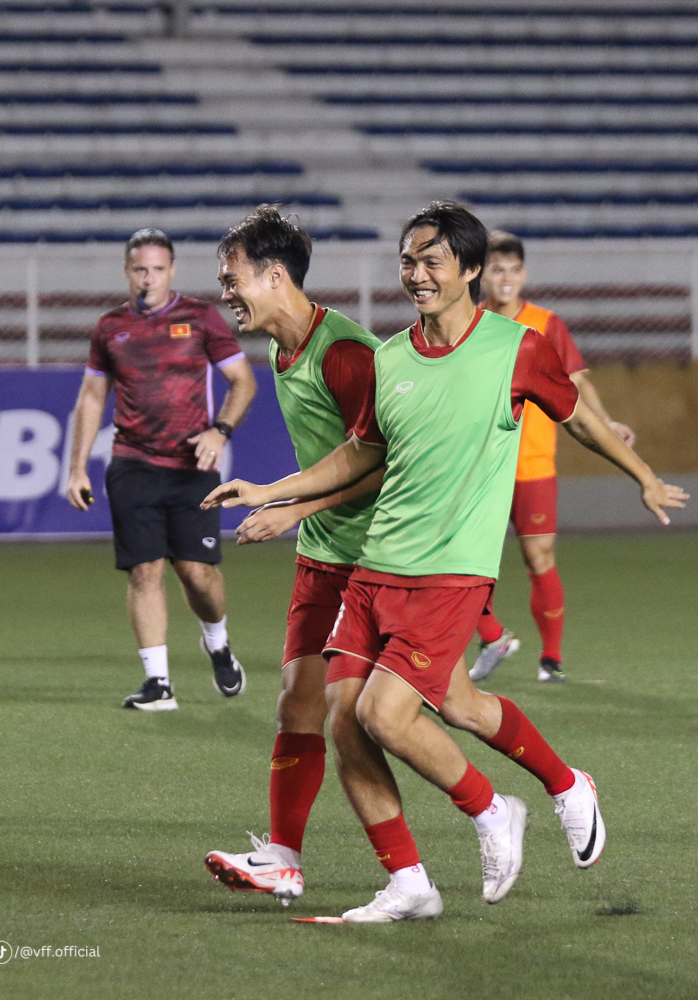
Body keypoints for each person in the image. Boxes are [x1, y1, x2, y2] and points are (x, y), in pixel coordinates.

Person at [204, 201, 687, 922]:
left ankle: (493, 811)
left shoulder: (511, 348)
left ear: (468, 271)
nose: (416, 274)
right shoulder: (392, 355)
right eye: (407, 260)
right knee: (370, 717)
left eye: (431, 261)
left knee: (380, 714)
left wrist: (641, 473)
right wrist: (273, 490)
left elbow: (577, 415)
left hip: (449, 568)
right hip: (375, 566)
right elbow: (363, 451)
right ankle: (424, 872)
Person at [198, 207, 383, 904]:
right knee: (297, 707)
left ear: (274, 277)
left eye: (231, 276)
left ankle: (526, 794)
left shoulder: (346, 353)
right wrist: (293, 510)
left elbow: (383, 465)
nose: (224, 290)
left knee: (388, 719)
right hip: (323, 552)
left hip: (380, 558)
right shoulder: (280, 349)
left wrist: (291, 509)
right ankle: (283, 858)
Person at [65, 228, 257, 710]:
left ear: (171, 271)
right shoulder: (110, 328)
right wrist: (77, 469)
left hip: (191, 465)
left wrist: (220, 432)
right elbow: (92, 397)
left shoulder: (200, 318)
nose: (147, 278)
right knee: (144, 572)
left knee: (198, 575)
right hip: (131, 464)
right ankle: (158, 683)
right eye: (139, 270)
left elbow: (243, 381)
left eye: (156, 269)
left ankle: (217, 643)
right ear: (127, 272)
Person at [471, 230, 637, 684]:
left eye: (513, 270)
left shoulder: (546, 324)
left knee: (539, 557)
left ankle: (551, 658)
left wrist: (606, 422)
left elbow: (578, 382)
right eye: (496, 269)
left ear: (524, 275)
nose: (505, 278)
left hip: (532, 465)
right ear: (482, 275)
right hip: (479, 467)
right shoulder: (469, 321)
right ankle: (492, 637)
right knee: (461, 562)